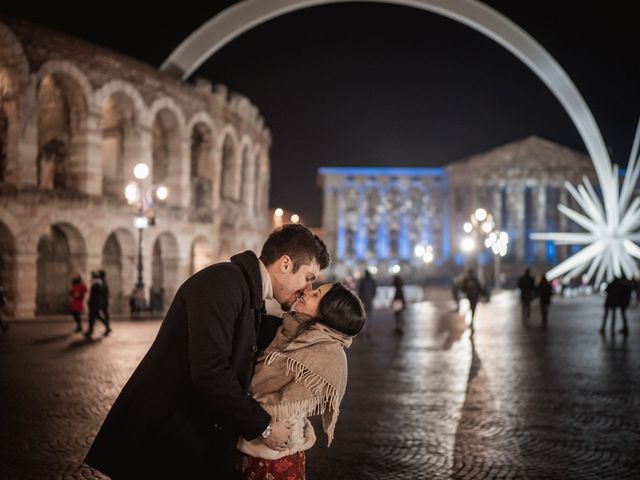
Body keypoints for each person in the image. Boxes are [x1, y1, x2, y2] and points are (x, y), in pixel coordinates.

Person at [84, 224, 330, 479]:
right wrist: (264, 427)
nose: (307, 290)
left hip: (185, 437)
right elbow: (211, 372)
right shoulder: (223, 283)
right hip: (162, 438)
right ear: (286, 264)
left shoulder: (248, 293)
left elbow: (277, 337)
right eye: (308, 278)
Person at [236, 282, 366, 479]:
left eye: (315, 294)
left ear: (328, 312)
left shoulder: (325, 354)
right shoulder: (292, 331)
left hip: (273, 455)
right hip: (250, 444)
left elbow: (284, 409)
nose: (307, 291)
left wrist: (256, 420)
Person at [85, 271, 105, 340]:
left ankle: (90, 331)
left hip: (94, 304)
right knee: (93, 318)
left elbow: (96, 296)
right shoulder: (97, 283)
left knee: (93, 317)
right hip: (94, 304)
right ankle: (90, 331)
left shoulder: (97, 284)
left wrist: (91, 302)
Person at [98, 270, 111, 335]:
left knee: (105, 315)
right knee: (105, 315)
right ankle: (107, 328)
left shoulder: (103, 282)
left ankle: (107, 328)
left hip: (104, 302)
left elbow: (102, 293)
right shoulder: (103, 282)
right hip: (104, 301)